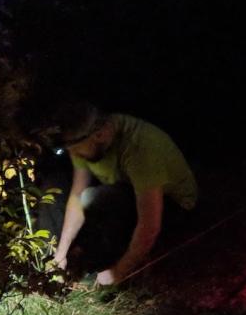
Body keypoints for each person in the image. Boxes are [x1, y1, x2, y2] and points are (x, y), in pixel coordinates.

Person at [47, 103, 198, 285]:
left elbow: (149, 224)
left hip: (174, 204)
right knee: (90, 197)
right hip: (127, 194)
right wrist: (60, 255)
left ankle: (137, 263)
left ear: (99, 135)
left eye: (76, 149)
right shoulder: (84, 139)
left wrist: (118, 272)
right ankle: (93, 260)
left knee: (105, 201)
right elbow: (77, 196)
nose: (74, 154)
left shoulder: (138, 147)